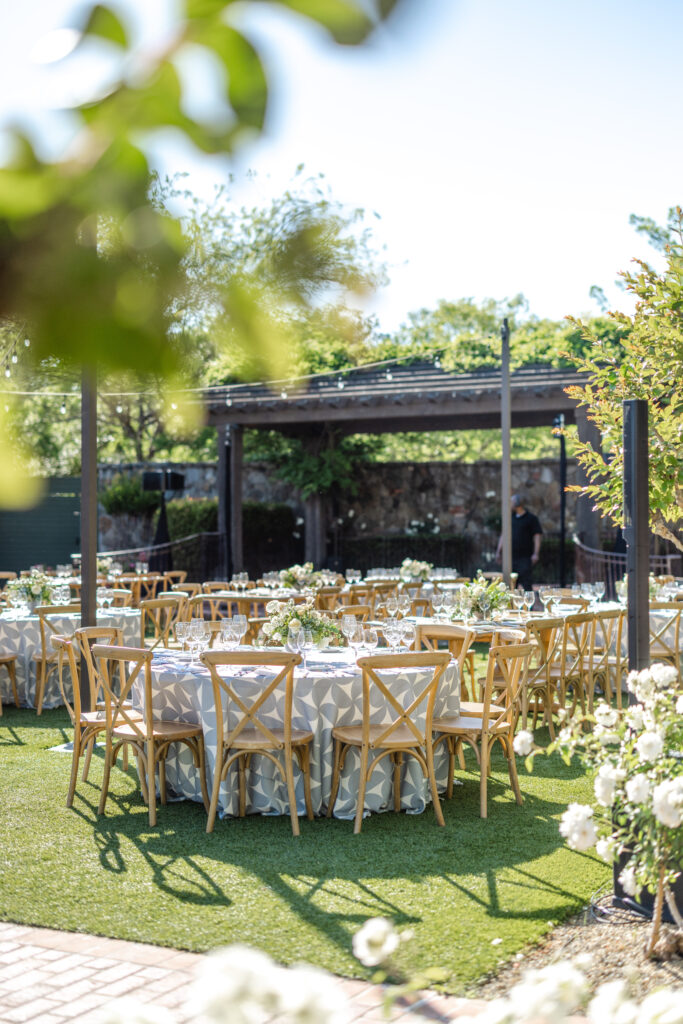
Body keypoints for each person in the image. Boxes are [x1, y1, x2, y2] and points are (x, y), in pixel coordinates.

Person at [495, 494, 543, 592]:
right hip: (510, 558)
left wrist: (536, 554)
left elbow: (537, 536)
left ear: (517, 503)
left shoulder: (531, 518)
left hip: (525, 558)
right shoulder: (510, 518)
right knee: (510, 587)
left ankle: (529, 606)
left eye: (511, 503)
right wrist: (498, 552)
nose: (509, 505)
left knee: (527, 586)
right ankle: (511, 607)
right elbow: (503, 535)